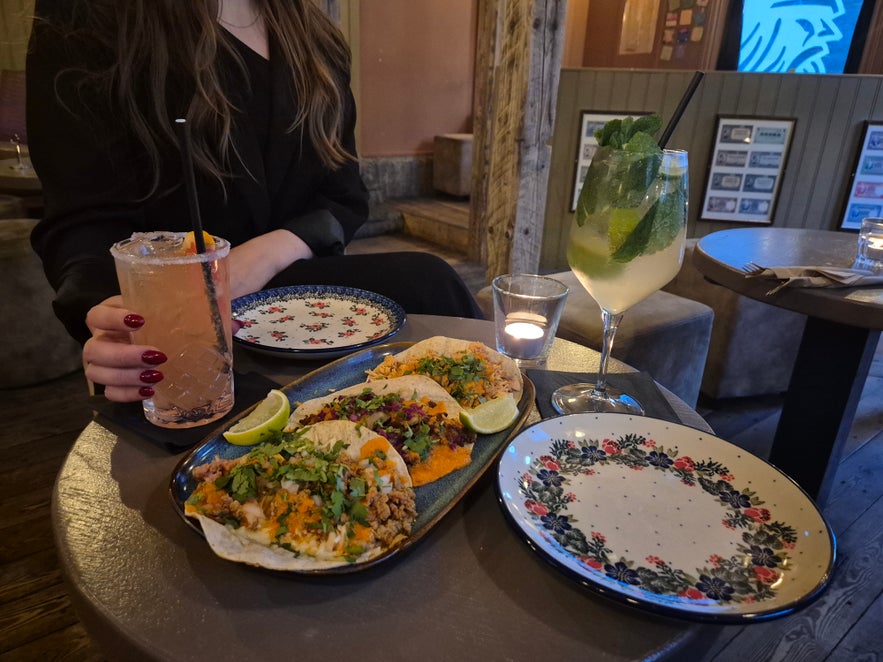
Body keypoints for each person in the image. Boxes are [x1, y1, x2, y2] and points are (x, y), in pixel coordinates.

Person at [27, 0, 483, 403]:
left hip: (290, 290)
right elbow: (81, 222)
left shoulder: (318, 40)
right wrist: (108, 312)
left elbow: (343, 194)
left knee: (432, 282)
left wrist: (256, 258)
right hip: (175, 319)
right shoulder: (88, 17)